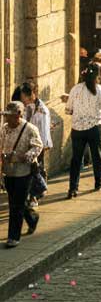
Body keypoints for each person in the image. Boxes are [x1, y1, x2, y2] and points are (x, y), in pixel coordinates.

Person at [66, 62, 101, 197]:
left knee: (76, 158)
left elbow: (68, 110)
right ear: (97, 76)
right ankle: (99, 183)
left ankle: (73, 188)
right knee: (97, 155)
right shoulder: (100, 90)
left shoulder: (75, 89)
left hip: (77, 128)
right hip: (95, 127)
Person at [1, 101, 42, 246]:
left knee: (16, 205)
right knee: (16, 202)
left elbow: (38, 147)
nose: (7, 119)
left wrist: (23, 157)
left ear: (19, 115)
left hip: (23, 172)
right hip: (8, 171)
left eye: (10, 116)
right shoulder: (5, 128)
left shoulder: (30, 129)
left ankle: (13, 237)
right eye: (6, 116)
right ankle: (32, 218)